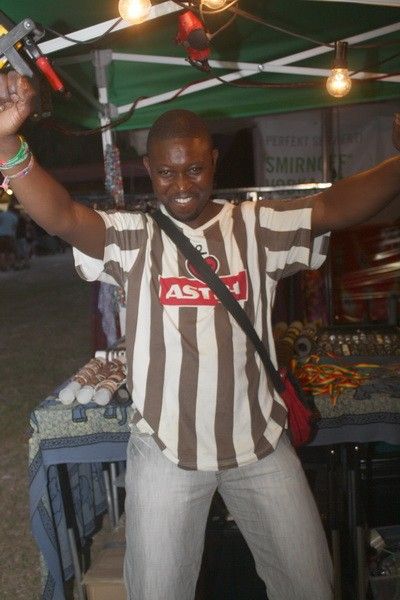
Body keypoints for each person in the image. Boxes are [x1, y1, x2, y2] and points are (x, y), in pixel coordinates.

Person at [1, 71, 400, 600]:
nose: (182, 185)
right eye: (167, 173)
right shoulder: (134, 236)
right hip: (166, 450)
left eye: (194, 168)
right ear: (149, 169)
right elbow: (64, 217)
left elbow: (332, 207)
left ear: (213, 160)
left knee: (309, 585)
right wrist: (7, 143)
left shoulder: (256, 226)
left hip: (259, 445)